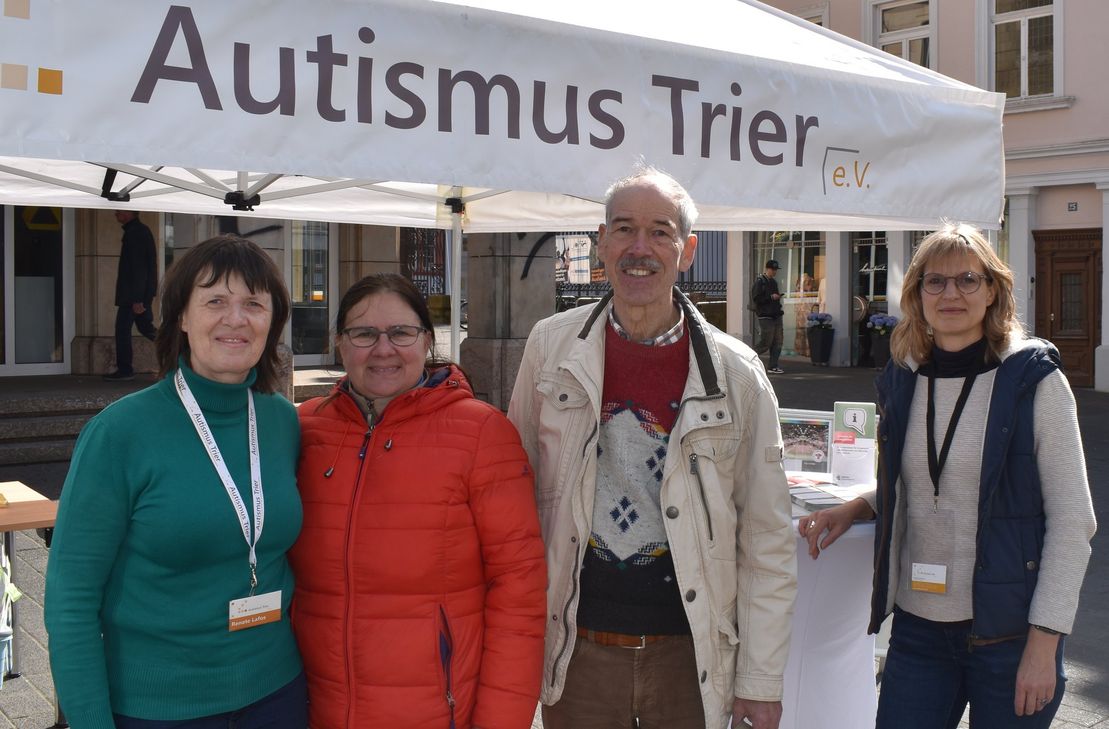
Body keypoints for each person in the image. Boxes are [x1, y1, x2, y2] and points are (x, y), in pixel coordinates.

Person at [508, 166, 797, 729]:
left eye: (660, 232)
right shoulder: (550, 348)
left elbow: (766, 539)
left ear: (687, 251)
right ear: (601, 242)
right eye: (623, 229)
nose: (639, 248)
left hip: (689, 660)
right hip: (578, 654)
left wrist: (760, 681)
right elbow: (512, 498)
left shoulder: (738, 374)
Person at [799, 224, 1097, 728]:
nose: (951, 293)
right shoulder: (902, 376)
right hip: (919, 632)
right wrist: (862, 505)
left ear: (993, 291)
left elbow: (1073, 522)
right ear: (916, 294)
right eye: (934, 282)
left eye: (967, 280)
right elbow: (924, 479)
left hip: (1008, 636)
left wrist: (1044, 644)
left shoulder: (1034, 382)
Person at [46, 235, 306, 728]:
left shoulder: (281, 421)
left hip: (277, 693)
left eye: (254, 303)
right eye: (215, 301)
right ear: (181, 318)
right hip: (158, 707)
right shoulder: (120, 432)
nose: (236, 318)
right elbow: (70, 600)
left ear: (272, 322)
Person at [289, 273, 546, 729]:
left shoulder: (482, 434)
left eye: (402, 332)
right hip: (311, 707)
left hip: (436, 711)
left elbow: (519, 594)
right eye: (364, 333)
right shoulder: (303, 430)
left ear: (427, 340)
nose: (383, 349)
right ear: (340, 344)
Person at [105, 210, 158, 381]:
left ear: (129, 213)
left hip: (133, 297)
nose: (115, 213)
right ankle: (181, 351)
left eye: (119, 211)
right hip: (136, 295)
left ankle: (125, 369)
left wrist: (138, 299)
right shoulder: (138, 231)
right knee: (146, 329)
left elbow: (138, 269)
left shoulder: (135, 233)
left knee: (123, 331)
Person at [752, 259, 785, 373]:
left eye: (776, 269)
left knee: (778, 342)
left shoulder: (774, 282)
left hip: (776, 315)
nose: (775, 271)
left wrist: (776, 299)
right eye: (773, 269)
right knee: (766, 342)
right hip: (765, 316)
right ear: (767, 269)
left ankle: (773, 366)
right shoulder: (760, 282)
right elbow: (756, 298)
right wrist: (771, 297)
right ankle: (747, 356)